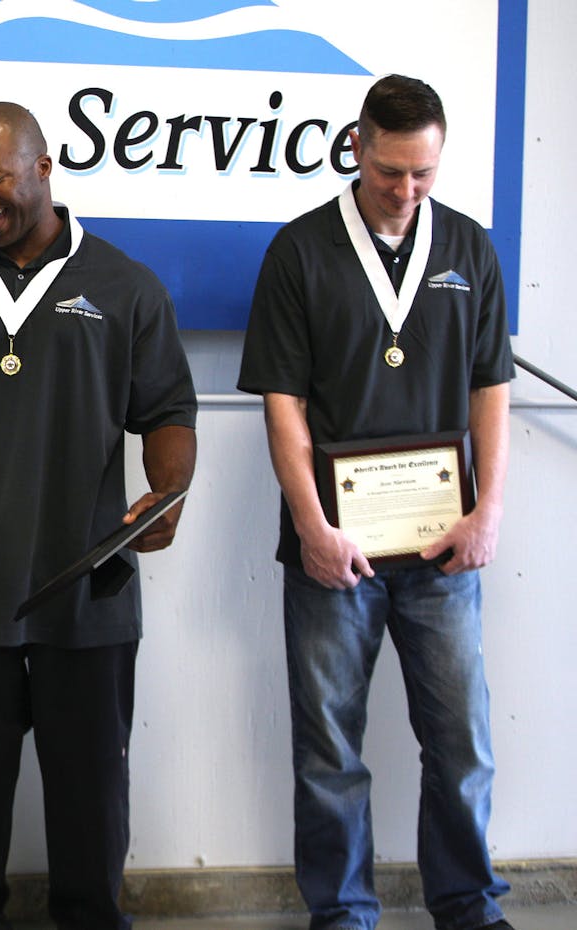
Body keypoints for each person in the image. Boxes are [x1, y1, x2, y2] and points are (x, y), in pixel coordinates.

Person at [0, 102, 197, 930]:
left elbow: (168, 409)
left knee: (93, 791)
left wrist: (167, 491)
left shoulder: (126, 285)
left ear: (43, 167)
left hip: (85, 588)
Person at [237, 74, 514, 930]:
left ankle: (467, 905)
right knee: (329, 751)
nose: (405, 191)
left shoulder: (469, 249)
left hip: (444, 550)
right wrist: (313, 527)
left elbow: (490, 388)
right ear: (357, 148)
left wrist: (490, 511)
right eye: (391, 171)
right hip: (334, 555)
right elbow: (282, 402)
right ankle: (342, 914)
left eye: (423, 173)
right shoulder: (300, 252)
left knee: (462, 744)